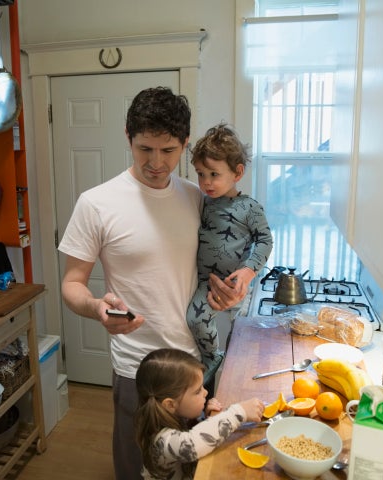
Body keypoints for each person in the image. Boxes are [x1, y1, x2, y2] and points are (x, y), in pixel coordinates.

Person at [57, 87, 248, 480]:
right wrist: (96, 308)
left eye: (168, 151)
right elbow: (71, 284)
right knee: (137, 468)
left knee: (198, 463)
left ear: (185, 143)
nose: (156, 163)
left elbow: (217, 268)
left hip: (196, 362)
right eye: (145, 149)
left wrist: (230, 293)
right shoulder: (96, 203)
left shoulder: (198, 197)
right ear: (128, 136)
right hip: (138, 368)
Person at [186, 124, 273, 386]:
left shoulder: (250, 207)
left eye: (214, 174)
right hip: (207, 281)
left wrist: (248, 270)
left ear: (238, 173)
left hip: (238, 284)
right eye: (201, 174)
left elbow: (265, 239)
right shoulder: (201, 203)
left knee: (244, 340)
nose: (206, 182)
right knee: (195, 318)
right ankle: (213, 357)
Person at [134, 348, 264, 480]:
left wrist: (205, 419)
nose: (206, 392)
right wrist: (238, 412)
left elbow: (191, 431)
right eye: (197, 391)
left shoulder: (176, 415)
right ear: (170, 405)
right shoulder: (160, 439)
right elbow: (192, 444)